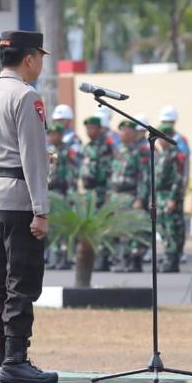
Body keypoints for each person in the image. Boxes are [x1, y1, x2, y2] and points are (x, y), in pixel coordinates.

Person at [0, 29, 57, 383]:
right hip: (18, 198)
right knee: (21, 279)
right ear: (29, 58)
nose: (39, 63)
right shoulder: (26, 96)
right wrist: (41, 209)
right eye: (39, 56)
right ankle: (16, 360)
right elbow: (33, 157)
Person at [111, 118, 151, 272]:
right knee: (119, 229)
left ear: (134, 133)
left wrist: (140, 198)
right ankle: (122, 260)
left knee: (134, 230)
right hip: (117, 196)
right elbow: (113, 174)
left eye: (128, 131)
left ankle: (135, 261)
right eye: (122, 131)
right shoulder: (118, 150)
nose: (124, 134)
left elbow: (144, 177)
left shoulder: (141, 151)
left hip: (132, 195)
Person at [80, 114, 115, 271]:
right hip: (89, 190)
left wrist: (108, 192)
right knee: (91, 224)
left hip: (101, 189)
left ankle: (104, 257)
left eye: (92, 128)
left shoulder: (105, 146)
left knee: (103, 224)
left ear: (100, 129)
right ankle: (94, 256)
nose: (89, 131)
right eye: (87, 128)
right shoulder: (88, 146)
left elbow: (109, 172)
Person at [45, 122, 80, 269]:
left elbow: (72, 174)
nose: (53, 137)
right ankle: (54, 257)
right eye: (50, 134)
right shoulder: (46, 151)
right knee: (51, 225)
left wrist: (71, 195)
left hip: (62, 192)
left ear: (61, 135)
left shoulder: (67, 151)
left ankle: (64, 257)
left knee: (63, 226)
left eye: (56, 134)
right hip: (48, 192)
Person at [156, 124, 188, 273]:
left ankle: (173, 259)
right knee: (163, 228)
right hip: (161, 196)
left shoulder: (176, 154)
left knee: (172, 228)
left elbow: (177, 179)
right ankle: (169, 256)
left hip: (170, 196)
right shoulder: (163, 154)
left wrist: (173, 198)